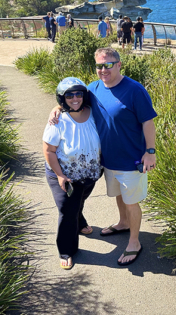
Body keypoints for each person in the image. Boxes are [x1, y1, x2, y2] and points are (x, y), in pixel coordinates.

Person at [49, 48, 157, 266]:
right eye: (99, 65)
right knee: (119, 195)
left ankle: (134, 242)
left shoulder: (135, 90)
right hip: (107, 160)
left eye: (108, 65)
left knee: (132, 201)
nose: (103, 70)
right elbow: (73, 100)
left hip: (132, 160)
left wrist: (150, 151)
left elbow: (148, 122)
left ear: (119, 64)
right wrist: (56, 108)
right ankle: (123, 223)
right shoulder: (94, 88)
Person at [43, 77, 102, 270]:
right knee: (67, 210)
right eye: (69, 95)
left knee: (79, 200)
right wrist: (60, 175)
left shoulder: (93, 112)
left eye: (78, 94)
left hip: (89, 172)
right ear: (62, 98)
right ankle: (66, 250)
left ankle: (80, 220)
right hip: (63, 174)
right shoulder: (58, 120)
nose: (75, 98)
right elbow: (49, 151)